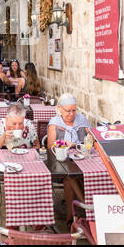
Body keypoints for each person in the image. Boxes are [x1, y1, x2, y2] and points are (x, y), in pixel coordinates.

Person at [47, 93, 92, 228]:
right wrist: (64, 145)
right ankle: (71, 217)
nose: (71, 114)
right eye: (68, 111)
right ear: (60, 108)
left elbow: (91, 139)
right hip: (61, 161)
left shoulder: (82, 120)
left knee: (87, 173)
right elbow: (50, 146)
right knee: (69, 177)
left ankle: (86, 208)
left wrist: (80, 143)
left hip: (82, 158)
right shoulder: (54, 123)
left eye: (74, 110)